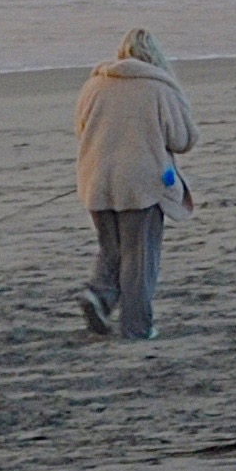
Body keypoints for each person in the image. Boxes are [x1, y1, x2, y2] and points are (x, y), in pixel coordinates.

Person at [73, 25, 195, 340]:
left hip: (97, 177)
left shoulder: (95, 84)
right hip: (142, 183)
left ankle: (99, 295)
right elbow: (183, 138)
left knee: (110, 247)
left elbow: (81, 128)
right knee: (139, 255)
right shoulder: (160, 86)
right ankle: (136, 326)